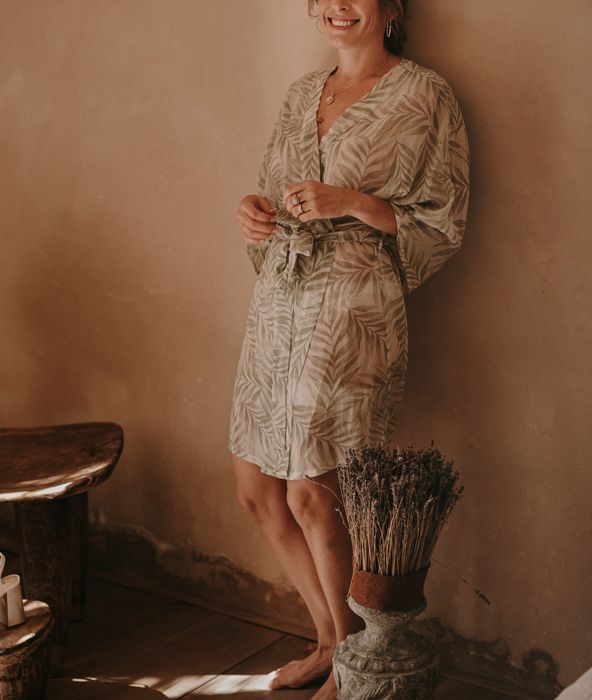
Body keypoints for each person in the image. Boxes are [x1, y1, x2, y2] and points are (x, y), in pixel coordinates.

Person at [228, 1, 470, 698]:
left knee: (312, 491)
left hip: (354, 303)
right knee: (255, 489)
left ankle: (354, 665)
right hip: (280, 297)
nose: (337, 4)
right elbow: (274, 192)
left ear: (390, 6)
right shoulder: (303, 92)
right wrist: (255, 212)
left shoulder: (425, 95)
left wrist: (354, 203)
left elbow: (444, 219)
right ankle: (330, 641)